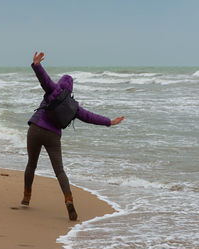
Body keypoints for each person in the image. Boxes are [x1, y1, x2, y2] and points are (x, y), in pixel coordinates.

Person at [22, 52, 124, 221]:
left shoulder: (53, 90)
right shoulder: (74, 107)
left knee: (31, 165)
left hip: (36, 129)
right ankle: (68, 199)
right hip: (53, 136)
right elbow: (91, 117)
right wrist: (110, 122)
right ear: (71, 89)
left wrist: (36, 65)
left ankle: (26, 197)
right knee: (60, 171)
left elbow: (44, 79)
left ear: (61, 83)